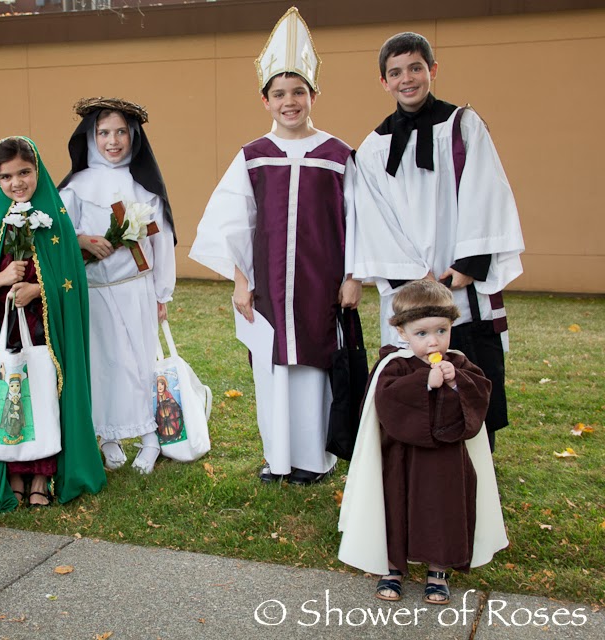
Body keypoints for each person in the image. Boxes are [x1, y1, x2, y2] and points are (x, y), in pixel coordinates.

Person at [189, 7, 361, 486]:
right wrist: (242, 282)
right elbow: (234, 223)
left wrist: (353, 276)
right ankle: (278, 459)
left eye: (298, 92)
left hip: (320, 282)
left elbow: (359, 221)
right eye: (280, 94)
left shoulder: (338, 154)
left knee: (313, 366)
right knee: (273, 370)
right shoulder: (252, 156)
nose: (290, 102)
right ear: (265, 100)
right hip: (268, 284)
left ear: (313, 95)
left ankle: (314, 459)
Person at [351, 31, 525, 451]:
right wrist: (412, 275)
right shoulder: (374, 148)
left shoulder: (462, 127)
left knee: (469, 366)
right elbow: (372, 216)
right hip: (409, 282)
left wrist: (467, 263)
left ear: (432, 69)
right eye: (395, 72)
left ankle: (478, 452)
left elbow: (486, 192)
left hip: (458, 277)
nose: (406, 79)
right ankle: (417, 450)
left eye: (415, 68)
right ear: (383, 81)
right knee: (413, 369)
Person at [0, 136, 106, 512]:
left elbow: (72, 281)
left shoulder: (55, 218)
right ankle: (12, 474)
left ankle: (41, 474)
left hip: (43, 330)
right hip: (6, 329)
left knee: (44, 396)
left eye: (25, 172)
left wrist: (38, 289)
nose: (17, 183)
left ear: (37, 171)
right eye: (6, 176)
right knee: (10, 396)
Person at [338, 280, 507, 605]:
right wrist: (422, 383)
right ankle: (392, 568)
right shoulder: (395, 365)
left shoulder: (457, 364)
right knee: (396, 508)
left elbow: (480, 395)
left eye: (441, 331)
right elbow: (385, 403)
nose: (433, 341)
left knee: (441, 511)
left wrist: (456, 383)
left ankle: (437, 571)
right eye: (422, 334)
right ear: (402, 332)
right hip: (401, 460)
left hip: (446, 463)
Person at [57, 97, 177, 473]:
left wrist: (162, 293)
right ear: (90, 137)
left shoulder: (143, 186)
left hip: (134, 288)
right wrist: (83, 240)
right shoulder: (76, 186)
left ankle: (149, 438)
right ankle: (108, 438)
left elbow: (162, 240)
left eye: (121, 132)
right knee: (101, 365)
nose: (113, 140)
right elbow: (59, 233)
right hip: (92, 292)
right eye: (104, 132)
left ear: (133, 136)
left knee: (137, 362)